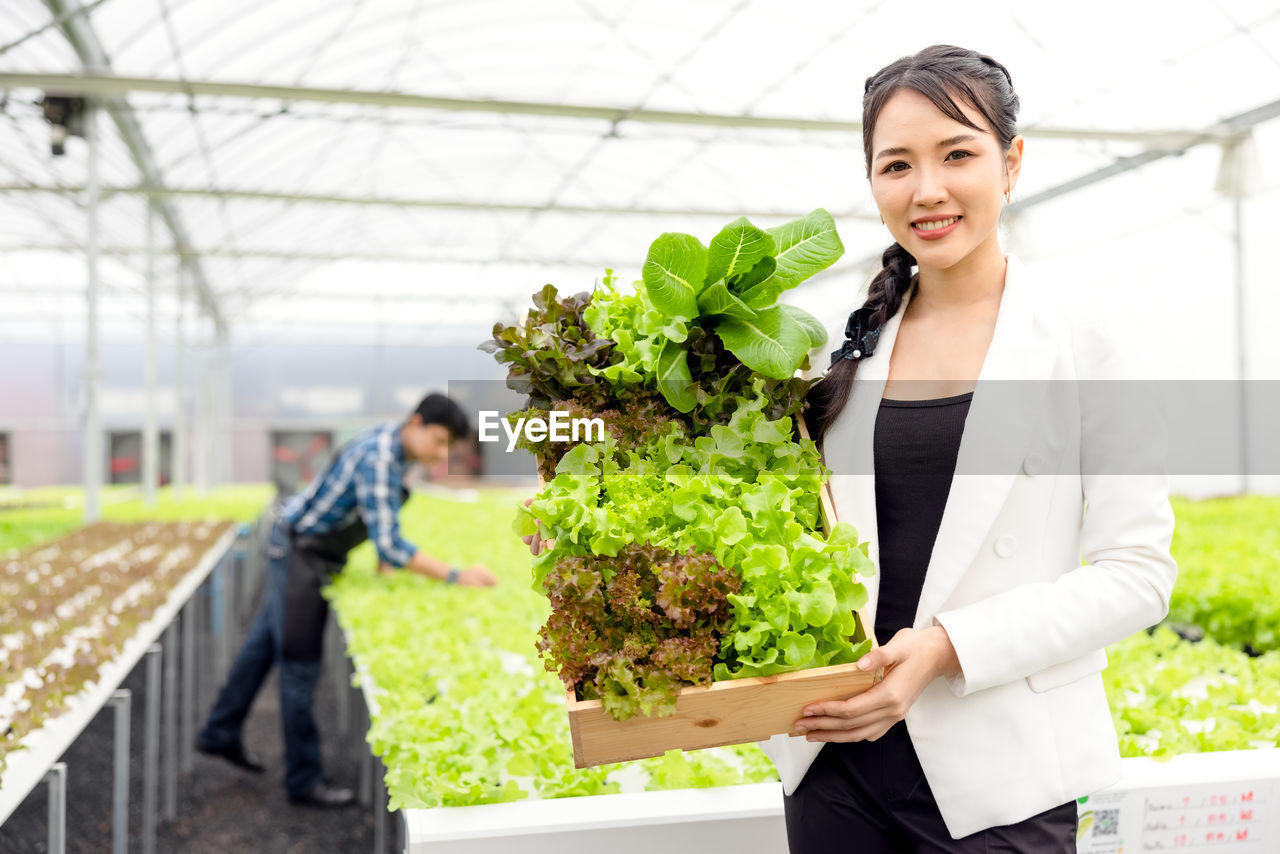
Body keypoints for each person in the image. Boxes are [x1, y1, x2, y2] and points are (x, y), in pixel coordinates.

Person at [761, 45, 1177, 852]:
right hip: (832, 761)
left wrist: (949, 647)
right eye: (896, 165)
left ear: (1011, 162)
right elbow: (781, 526)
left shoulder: (1085, 342)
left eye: (958, 154)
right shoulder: (837, 346)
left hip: (999, 772)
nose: (928, 191)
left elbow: (1139, 574)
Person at [196, 393, 499, 807]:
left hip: (302, 545)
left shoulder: (393, 450)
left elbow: (379, 514)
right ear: (415, 423)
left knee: (264, 644)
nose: (442, 453)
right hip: (300, 550)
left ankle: (220, 731)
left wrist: (384, 556)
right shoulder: (379, 456)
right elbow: (390, 543)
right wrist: (455, 575)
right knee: (299, 664)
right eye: (440, 441)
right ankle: (303, 780)